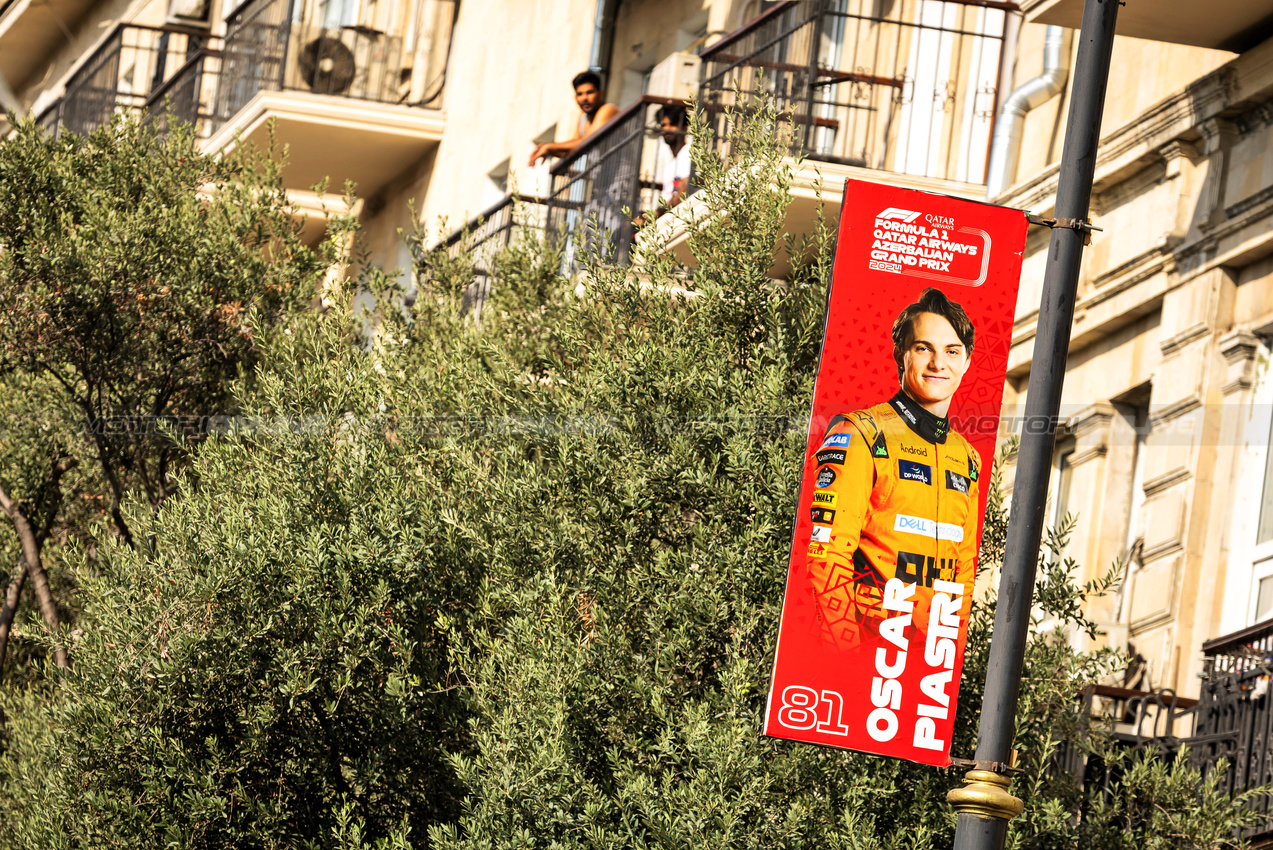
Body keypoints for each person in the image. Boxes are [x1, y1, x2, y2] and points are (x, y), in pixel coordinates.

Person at [804, 287, 982, 647]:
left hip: (927, 663)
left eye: (951, 351)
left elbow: (964, 568)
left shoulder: (967, 458)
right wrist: (846, 652)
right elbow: (826, 554)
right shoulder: (859, 433)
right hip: (868, 647)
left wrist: (950, 653)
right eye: (923, 348)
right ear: (901, 354)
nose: (938, 363)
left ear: (966, 361)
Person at [528, 71, 620, 166]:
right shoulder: (583, 118)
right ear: (575, 97)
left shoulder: (608, 110)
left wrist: (550, 146)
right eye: (580, 94)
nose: (584, 98)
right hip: (600, 177)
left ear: (601, 94)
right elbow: (573, 149)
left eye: (589, 92)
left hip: (623, 177)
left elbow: (587, 140)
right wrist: (549, 151)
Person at [635, 103, 692, 227]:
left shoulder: (689, 152)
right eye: (663, 125)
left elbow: (684, 192)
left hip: (683, 220)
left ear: (685, 127)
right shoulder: (671, 163)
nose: (666, 129)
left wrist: (656, 214)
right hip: (669, 220)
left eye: (672, 124)